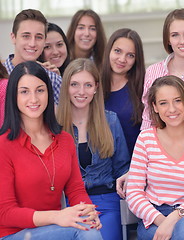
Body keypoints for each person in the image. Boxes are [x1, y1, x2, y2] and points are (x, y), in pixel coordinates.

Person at [0, 61, 102, 240]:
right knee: (85, 231)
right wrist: (57, 216)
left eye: (40, 90)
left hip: (56, 230)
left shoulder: (65, 140)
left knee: (88, 227)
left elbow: (76, 190)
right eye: (24, 91)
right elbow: (5, 212)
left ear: (49, 92)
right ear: (13, 96)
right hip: (13, 234)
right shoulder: (3, 146)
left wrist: (88, 212)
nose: (34, 99)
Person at [126, 75, 184, 240]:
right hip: (154, 217)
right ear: (154, 107)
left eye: (178, 100)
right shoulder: (146, 139)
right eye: (163, 103)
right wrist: (163, 221)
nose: (172, 109)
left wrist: (175, 217)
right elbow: (134, 193)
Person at [57, 58, 130, 240]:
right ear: (66, 87)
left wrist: (129, 177)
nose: (81, 92)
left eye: (88, 85)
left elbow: (123, 168)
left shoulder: (110, 121)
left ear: (96, 87)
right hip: (66, 206)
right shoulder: (54, 125)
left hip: (106, 203)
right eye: (75, 84)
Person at [140, 8, 184, 130]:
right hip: (162, 145)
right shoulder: (153, 72)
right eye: (175, 35)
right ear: (168, 40)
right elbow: (148, 119)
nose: (182, 41)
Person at [4, 9, 62, 104]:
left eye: (38, 37)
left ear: (44, 41)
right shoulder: (1, 75)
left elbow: (60, 117)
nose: (32, 43)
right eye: (26, 36)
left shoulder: (53, 80)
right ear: (13, 37)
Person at [102, 28, 145, 154]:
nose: (122, 59)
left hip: (136, 164)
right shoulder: (93, 84)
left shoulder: (143, 86)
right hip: (102, 166)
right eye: (117, 51)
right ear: (108, 50)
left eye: (130, 55)